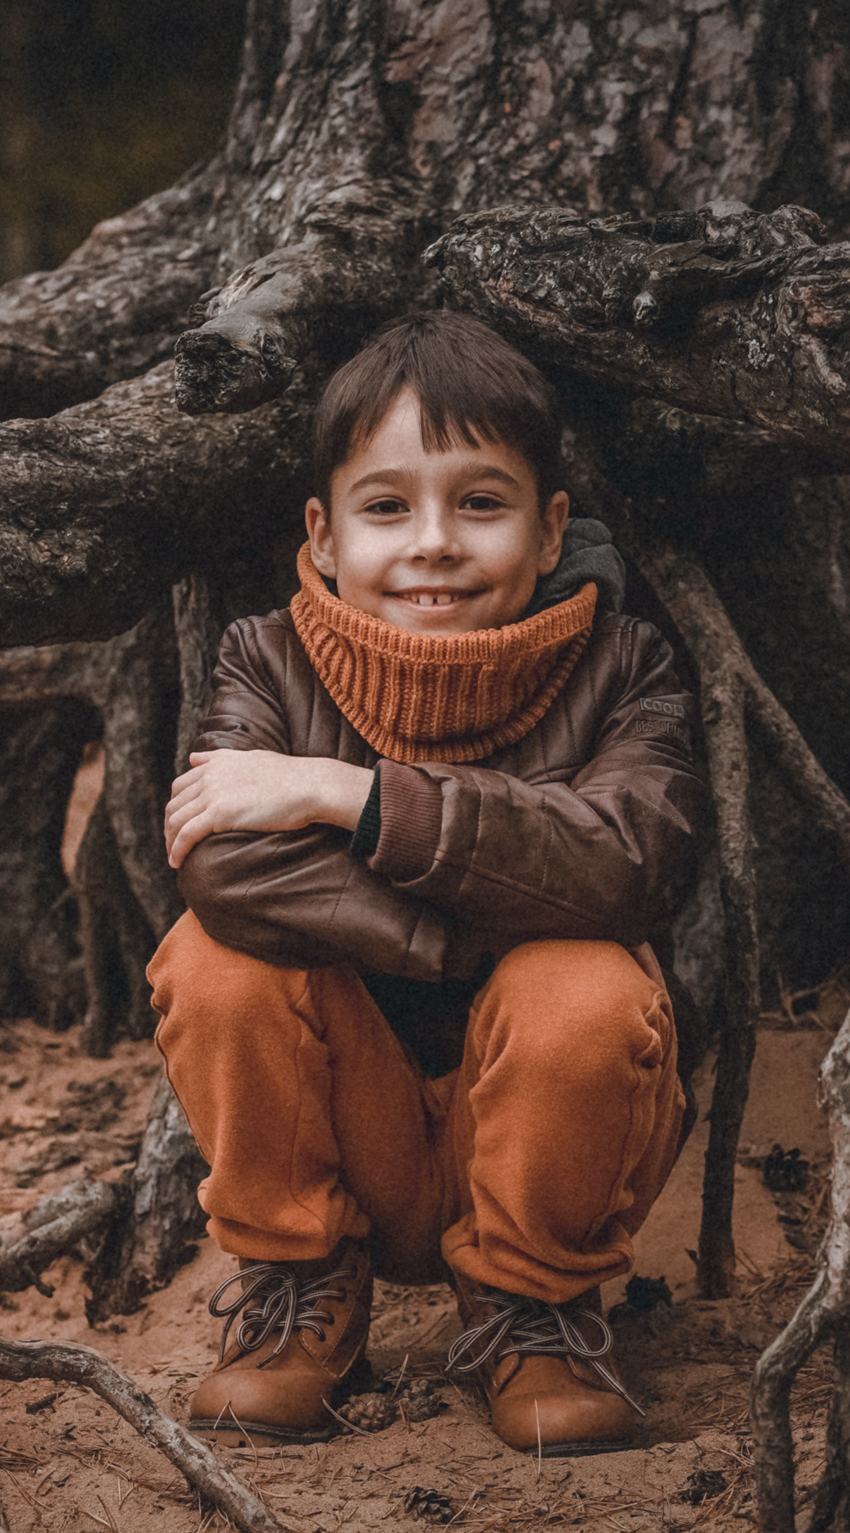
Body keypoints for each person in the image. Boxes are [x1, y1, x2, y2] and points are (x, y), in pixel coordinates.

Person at [151, 311, 705, 1455]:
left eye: (482, 502)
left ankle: (536, 1310)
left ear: (551, 528)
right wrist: (477, 929)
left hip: (559, 1132)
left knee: (585, 984)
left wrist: (344, 796)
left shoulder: (624, 660)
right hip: (353, 1131)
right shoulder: (267, 658)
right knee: (213, 961)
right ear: (324, 530)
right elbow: (221, 863)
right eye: (388, 505)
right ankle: (302, 1293)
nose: (434, 542)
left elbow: (630, 860)